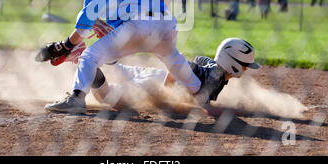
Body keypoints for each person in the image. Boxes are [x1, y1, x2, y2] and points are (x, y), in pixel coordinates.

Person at [35, 0, 202, 113]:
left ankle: (77, 99)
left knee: (89, 56)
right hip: (167, 23)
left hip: (137, 26)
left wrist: (65, 46)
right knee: (172, 57)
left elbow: (83, 29)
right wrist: (160, 13)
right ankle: (199, 92)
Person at [64, 38, 260, 115]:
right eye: (244, 66)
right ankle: (85, 60)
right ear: (233, 64)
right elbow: (184, 64)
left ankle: (88, 58)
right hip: (154, 84)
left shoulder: (215, 68)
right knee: (107, 96)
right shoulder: (215, 78)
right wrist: (164, 92)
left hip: (154, 76)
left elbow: (200, 59)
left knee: (121, 71)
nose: (245, 70)